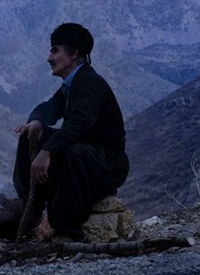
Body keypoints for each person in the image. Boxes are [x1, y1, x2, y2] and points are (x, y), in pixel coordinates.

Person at [9, 22, 129, 241]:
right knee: (32, 135)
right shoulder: (71, 86)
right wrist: (36, 122)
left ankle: (65, 230)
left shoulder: (90, 84)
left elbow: (79, 125)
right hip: (86, 152)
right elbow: (47, 108)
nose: (49, 57)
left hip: (107, 162)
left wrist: (46, 152)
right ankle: (30, 207)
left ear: (74, 53)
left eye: (55, 50)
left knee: (72, 152)